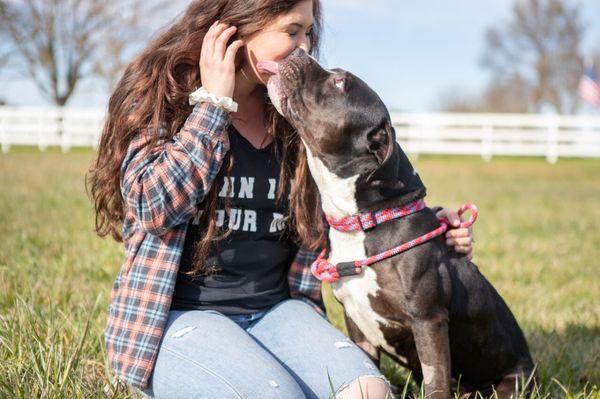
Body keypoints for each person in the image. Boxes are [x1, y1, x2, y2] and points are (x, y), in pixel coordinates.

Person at [87, 1, 474, 398]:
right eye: (292, 31)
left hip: (277, 311)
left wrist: (424, 225)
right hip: (180, 318)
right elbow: (152, 207)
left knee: (371, 392)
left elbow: (345, 202)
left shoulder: (295, 109)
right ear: (240, 23)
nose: (304, 47)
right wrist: (212, 107)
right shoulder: (165, 96)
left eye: (308, 32)